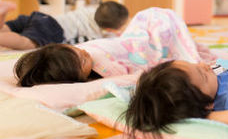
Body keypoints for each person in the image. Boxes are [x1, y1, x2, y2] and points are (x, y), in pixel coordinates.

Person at [14, 7, 215, 87]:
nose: (84, 52)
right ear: (76, 77)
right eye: (82, 59)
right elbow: (136, 70)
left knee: (154, 18)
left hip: (134, 38)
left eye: (78, 50)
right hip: (141, 48)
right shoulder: (106, 73)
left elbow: (120, 44)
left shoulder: (86, 48)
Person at [0, 0, 129, 50]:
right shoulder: (94, 34)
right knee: (25, 42)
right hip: (53, 28)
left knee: (7, 28)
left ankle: (2, 13)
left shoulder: (91, 10)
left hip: (42, 17)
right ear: (107, 29)